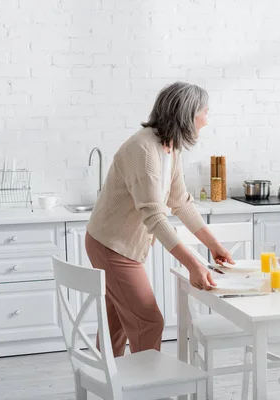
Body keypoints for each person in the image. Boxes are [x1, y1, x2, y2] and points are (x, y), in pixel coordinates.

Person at [85, 81, 234, 357]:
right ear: (188, 115)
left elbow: (180, 202)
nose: (206, 120)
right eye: (205, 112)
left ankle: (108, 383)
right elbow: (155, 216)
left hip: (117, 243)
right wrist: (193, 264)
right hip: (112, 246)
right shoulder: (143, 150)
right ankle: (145, 387)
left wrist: (213, 245)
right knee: (148, 322)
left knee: (115, 323)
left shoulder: (169, 148)